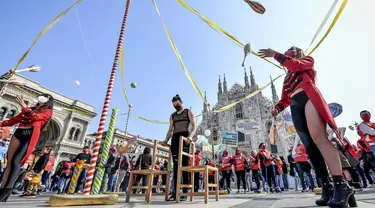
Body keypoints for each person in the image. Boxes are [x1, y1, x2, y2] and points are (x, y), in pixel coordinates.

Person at [259, 46, 356, 207]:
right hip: (295, 104)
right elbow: (284, 99)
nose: (288, 50)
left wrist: (275, 55)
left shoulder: (307, 61)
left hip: (308, 97)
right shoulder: (287, 79)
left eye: (291, 49)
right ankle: (327, 186)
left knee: (320, 138)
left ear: (298, 52)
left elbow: (296, 66)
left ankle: (341, 184)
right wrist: (276, 108)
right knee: (310, 147)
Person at [0, 94, 53, 202]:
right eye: (42, 95)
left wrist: (24, 106)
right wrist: (2, 124)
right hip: (19, 132)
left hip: (30, 134)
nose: (42, 97)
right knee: (9, 162)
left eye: (45, 97)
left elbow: (36, 117)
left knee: (16, 161)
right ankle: (2, 188)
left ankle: (7, 189)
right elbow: (13, 120)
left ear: (49, 101)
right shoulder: (32, 109)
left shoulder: (48, 111)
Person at [162, 94, 196, 201]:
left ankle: (185, 192)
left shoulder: (188, 112)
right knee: (176, 165)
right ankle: (175, 191)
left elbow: (194, 126)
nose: (175, 106)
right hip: (175, 139)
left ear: (180, 102)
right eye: (173, 105)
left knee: (184, 165)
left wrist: (190, 137)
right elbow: (170, 130)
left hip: (185, 138)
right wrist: (166, 140)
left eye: (176, 104)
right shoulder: (172, 116)